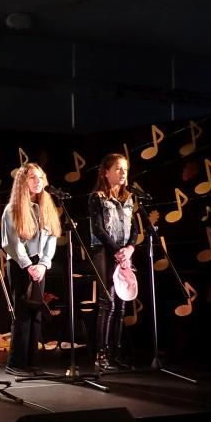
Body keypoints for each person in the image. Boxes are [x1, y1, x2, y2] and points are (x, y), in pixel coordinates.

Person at [1, 163, 61, 376]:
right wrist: (28, 265)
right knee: (23, 314)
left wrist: (43, 263)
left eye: (40, 177)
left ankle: (33, 361)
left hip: (39, 265)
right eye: (32, 178)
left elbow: (52, 237)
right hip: (20, 264)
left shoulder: (47, 206)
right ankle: (16, 363)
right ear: (22, 182)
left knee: (36, 312)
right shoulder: (12, 209)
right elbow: (12, 243)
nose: (38, 181)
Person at [87, 153, 140, 371]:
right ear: (106, 173)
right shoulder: (97, 198)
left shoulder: (129, 198)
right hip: (103, 251)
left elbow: (135, 228)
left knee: (121, 304)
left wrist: (130, 248)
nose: (123, 172)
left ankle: (116, 354)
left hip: (123, 253)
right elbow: (98, 229)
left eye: (125, 169)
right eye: (118, 168)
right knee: (107, 302)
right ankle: (101, 355)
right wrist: (117, 251)